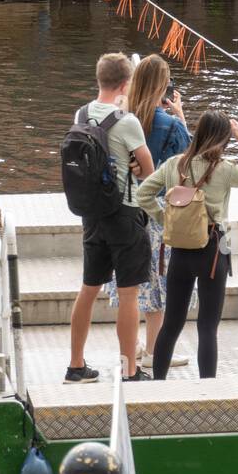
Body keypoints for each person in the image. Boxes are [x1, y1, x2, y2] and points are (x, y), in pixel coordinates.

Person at [135, 111, 238, 380]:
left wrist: (164, 218)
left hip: (180, 250)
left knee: (171, 323)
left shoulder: (174, 165)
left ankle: (158, 383)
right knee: (207, 327)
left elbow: (143, 192)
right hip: (214, 250)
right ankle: (209, 388)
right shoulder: (225, 169)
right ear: (223, 138)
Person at [66, 53, 154, 383]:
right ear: (124, 84)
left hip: (92, 215)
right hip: (124, 214)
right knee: (128, 294)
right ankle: (130, 370)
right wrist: (134, 165)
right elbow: (149, 170)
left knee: (88, 289)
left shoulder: (81, 113)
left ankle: (76, 366)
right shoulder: (127, 121)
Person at [106, 55, 192, 368]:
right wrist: (181, 116)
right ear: (163, 87)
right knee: (159, 287)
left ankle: (131, 350)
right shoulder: (168, 125)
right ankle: (155, 352)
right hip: (157, 212)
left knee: (130, 289)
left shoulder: (120, 119)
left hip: (124, 212)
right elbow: (189, 165)